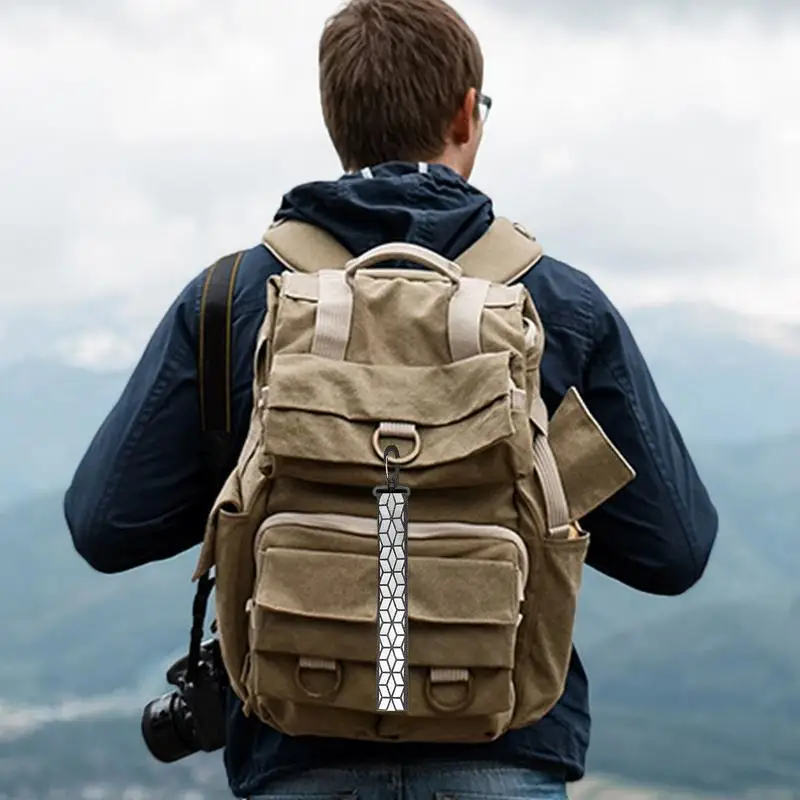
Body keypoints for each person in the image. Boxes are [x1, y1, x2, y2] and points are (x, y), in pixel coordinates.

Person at [64, 0, 719, 797]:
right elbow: (674, 552)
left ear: (336, 121)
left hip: (297, 755)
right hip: (503, 751)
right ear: (463, 116)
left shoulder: (229, 300)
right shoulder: (558, 304)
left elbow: (107, 527)